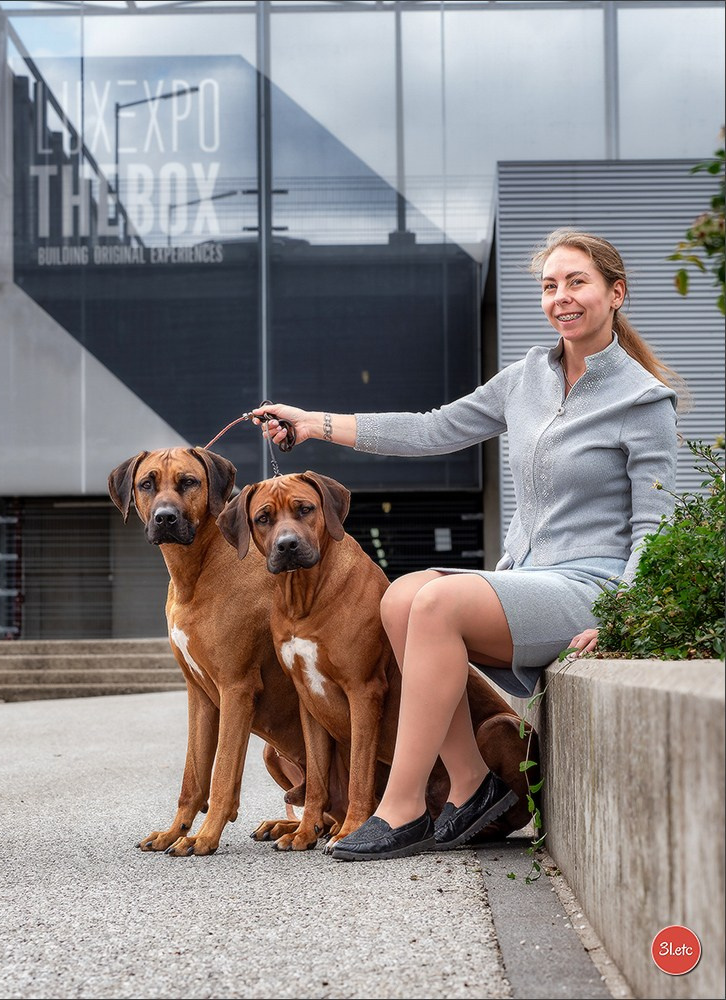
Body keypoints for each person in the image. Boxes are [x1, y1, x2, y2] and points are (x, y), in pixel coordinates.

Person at [251, 228, 682, 863]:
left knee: (435, 604)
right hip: (528, 578)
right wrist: (316, 424)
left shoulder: (644, 402)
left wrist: (627, 618)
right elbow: (434, 430)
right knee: (401, 597)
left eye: (577, 282)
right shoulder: (528, 378)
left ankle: (399, 809)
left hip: (592, 590)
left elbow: (655, 527)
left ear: (615, 293)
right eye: (550, 285)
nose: (561, 297)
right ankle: (474, 785)